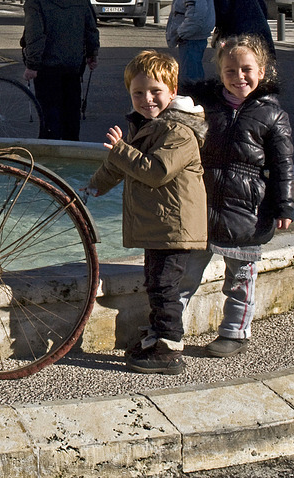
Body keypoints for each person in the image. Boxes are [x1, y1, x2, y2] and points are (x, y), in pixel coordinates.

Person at [84, 50, 208, 374]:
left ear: (172, 91)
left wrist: (122, 149)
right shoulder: (149, 126)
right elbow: (119, 166)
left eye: (155, 92)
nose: (147, 99)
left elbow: (155, 171)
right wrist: (96, 186)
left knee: (166, 286)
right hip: (160, 227)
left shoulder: (179, 132)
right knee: (156, 282)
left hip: (175, 229)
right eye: (138, 92)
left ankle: (169, 348)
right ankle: (156, 336)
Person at [178, 34, 294, 357]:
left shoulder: (272, 115)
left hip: (247, 212)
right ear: (220, 73)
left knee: (241, 278)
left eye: (246, 70)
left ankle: (235, 331)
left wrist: (284, 205)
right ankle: (170, 331)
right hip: (204, 207)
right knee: (185, 274)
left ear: (262, 71)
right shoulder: (208, 106)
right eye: (230, 71)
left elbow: (283, 164)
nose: (238, 77)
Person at [21, 0, 99, 140]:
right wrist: (92, 53)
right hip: (74, 63)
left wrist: (32, 65)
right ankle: (72, 147)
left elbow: (35, 34)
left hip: (47, 65)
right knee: (71, 109)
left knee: (49, 111)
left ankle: (51, 151)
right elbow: (90, 26)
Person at [165, 0, 215, 87]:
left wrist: (182, 32)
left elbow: (196, 14)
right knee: (193, 75)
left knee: (191, 79)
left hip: (192, 37)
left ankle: (195, 102)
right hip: (192, 35)